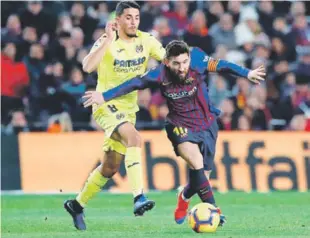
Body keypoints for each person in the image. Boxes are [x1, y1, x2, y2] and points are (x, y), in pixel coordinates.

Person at [82, 40, 266, 226]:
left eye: (184, 62)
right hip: (179, 125)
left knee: (202, 177)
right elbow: (134, 83)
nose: (181, 68)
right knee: (196, 162)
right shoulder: (159, 74)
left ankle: (184, 197)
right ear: (167, 62)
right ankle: (213, 209)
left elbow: (222, 65)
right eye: (176, 63)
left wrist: (247, 73)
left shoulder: (198, 60)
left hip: (207, 123)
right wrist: (103, 96)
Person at [64, 1, 165, 230]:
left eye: (136, 17)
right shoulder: (107, 40)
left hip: (129, 109)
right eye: (128, 18)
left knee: (110, 167)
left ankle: (76, 205)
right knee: (134, 138)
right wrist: (108, 40)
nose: (133, 22)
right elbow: (87, 66)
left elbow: (167, 58)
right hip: (104, 104)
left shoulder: (146, 40)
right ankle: (139, 197)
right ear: (117, 20)